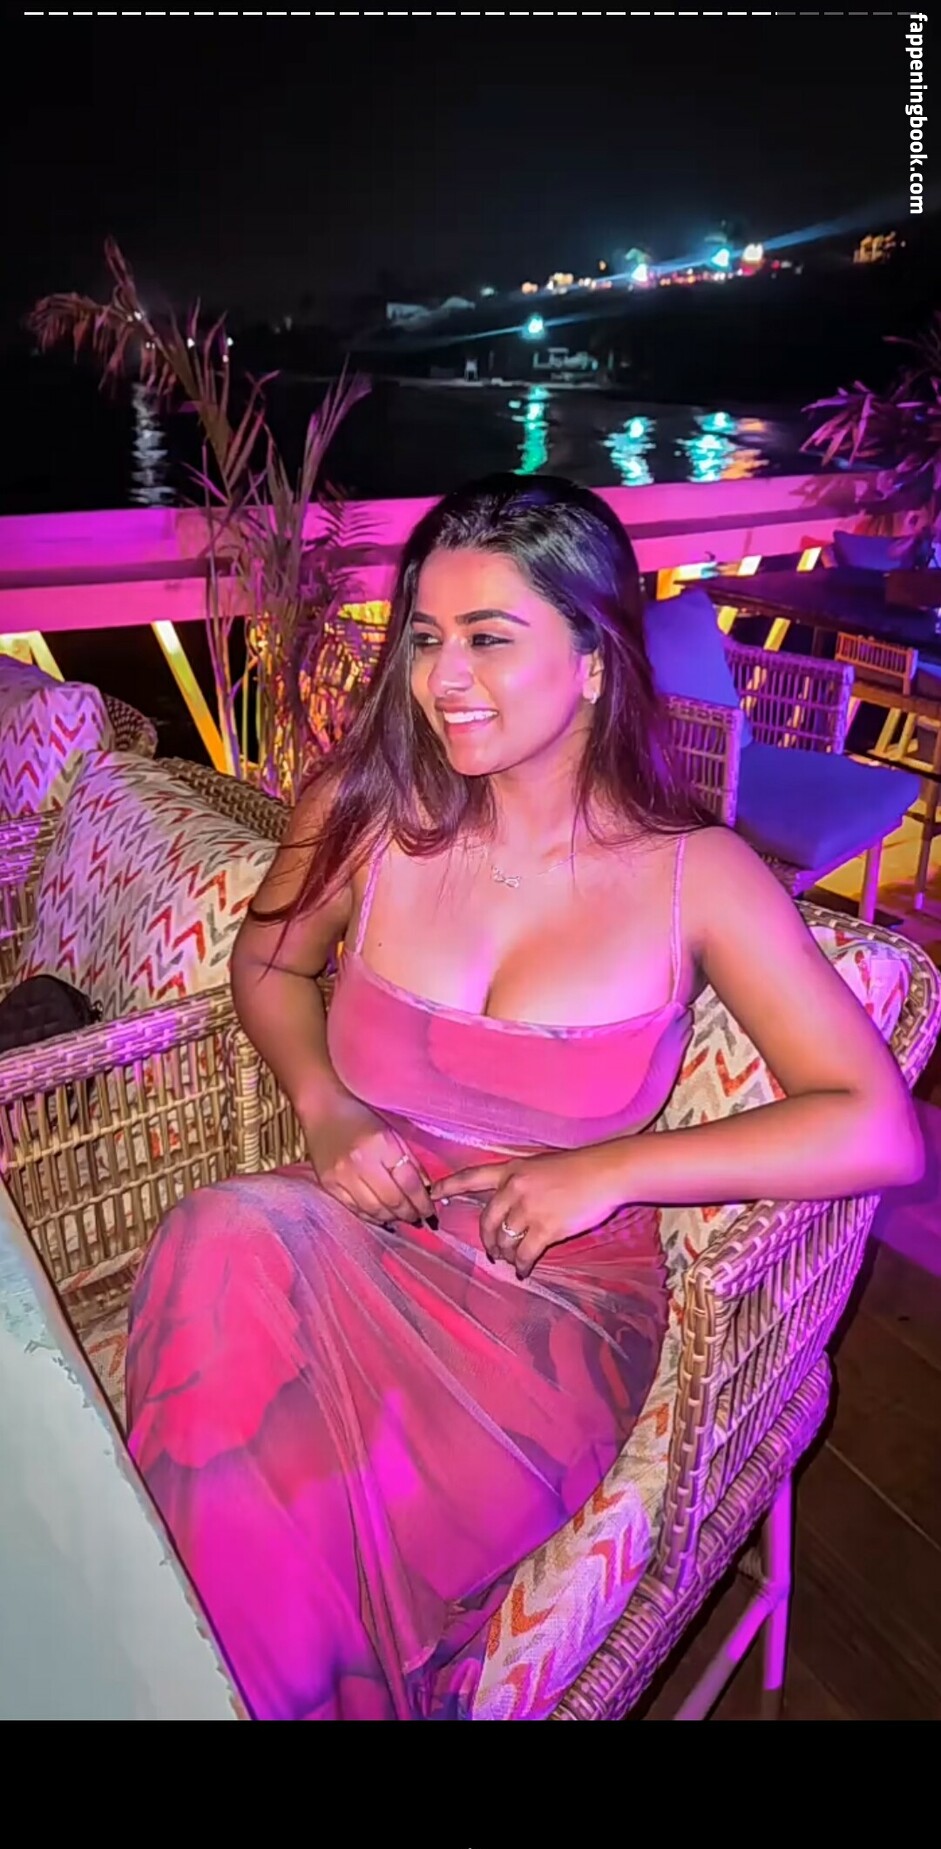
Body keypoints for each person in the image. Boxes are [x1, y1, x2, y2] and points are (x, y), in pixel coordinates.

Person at [126, 474, 923, 1722]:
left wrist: (608, 1170)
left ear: (594, 659)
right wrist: (326, 1107)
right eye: (425, 638)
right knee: (217, 1238)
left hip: (544, 1298)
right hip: (352, 1221)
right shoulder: (364, 813)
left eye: (488, 638)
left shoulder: (693, 875)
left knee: (314, 1504)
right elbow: (268, 965)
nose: (442, 679)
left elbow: (873, 1127)